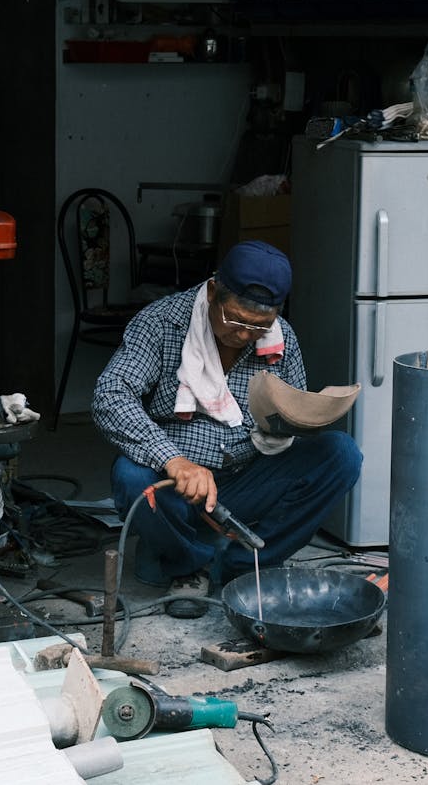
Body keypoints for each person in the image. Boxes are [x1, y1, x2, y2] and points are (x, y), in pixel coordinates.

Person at [92, 240, 363, 618]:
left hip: (245, 476)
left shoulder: (280, 336)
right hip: (178, 485)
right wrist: (175, 461)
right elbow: (111, 395)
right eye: (235, 320)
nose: (244, 335)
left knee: (340, 454)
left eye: (259, 326)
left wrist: (301, 419)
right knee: (130, 475)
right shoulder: (161, 323)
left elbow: (294, 412)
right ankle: (189, 564)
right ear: (214, 290)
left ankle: (245, 564)